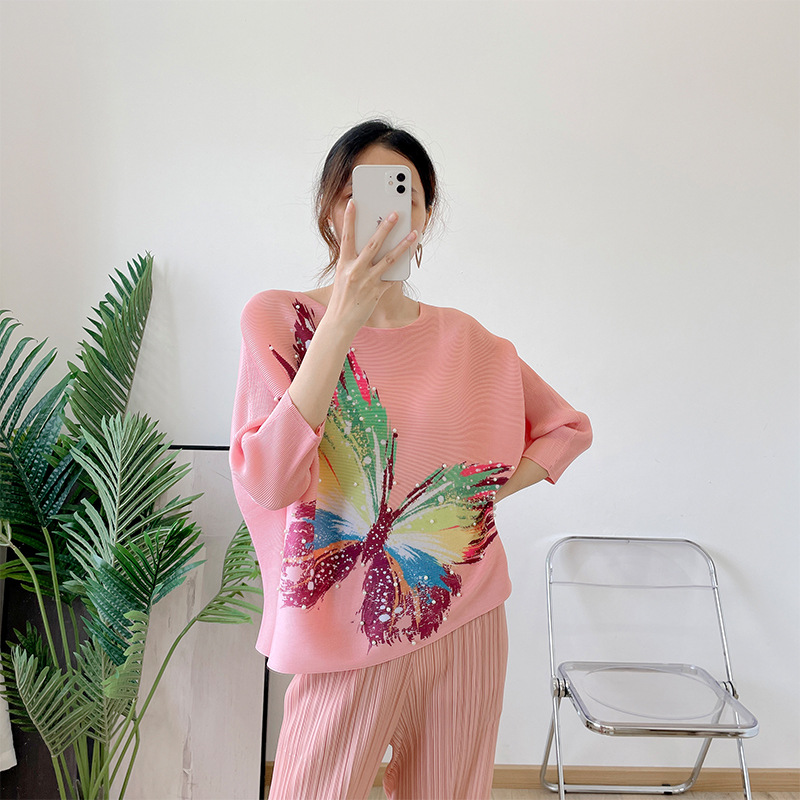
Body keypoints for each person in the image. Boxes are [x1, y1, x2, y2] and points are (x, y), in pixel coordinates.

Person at [229, 119, 592, 800]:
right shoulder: (278, 319)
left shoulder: (468, 341)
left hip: (465, 617)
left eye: (407, 195)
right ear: (331, 209)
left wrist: (470, 502)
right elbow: (272, 480)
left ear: (425, 218)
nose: (384, 212)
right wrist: (342, 320)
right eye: (358, 193)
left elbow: (566, 429)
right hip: (339, 635)